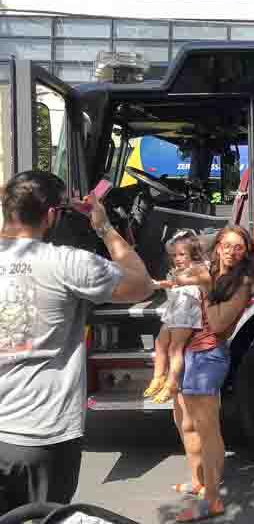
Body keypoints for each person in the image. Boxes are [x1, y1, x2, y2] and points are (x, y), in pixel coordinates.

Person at [0, 171, 153, 512]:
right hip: (43, 436)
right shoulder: (69, 263)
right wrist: (104, 227)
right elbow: (141, 284)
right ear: (52, 215)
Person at [172, 225, 254, 523]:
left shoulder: (243, 282)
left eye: (239, 248)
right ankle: (197, 481)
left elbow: (220, 324)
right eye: (228, 245)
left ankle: (212, 499)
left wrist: (204, 289)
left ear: (246, 253)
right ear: (218, 245)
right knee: (187, 422)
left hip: (208, 356)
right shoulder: (208, 267)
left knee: (208, 430)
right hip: (187, 352)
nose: (232, 252)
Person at [143, 230, 209, 404]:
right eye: (174, 255)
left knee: (175, 347)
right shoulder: (176, 271)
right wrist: (157, 284)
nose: (177, 258)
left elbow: (206, 278)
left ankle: (171, 383)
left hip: (187, 309)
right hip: (173, 309)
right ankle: (158, 377)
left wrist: (185, 280)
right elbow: (172, 283)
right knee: (160, 342)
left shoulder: (198, 267)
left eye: (182, 254)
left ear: (192, 254)